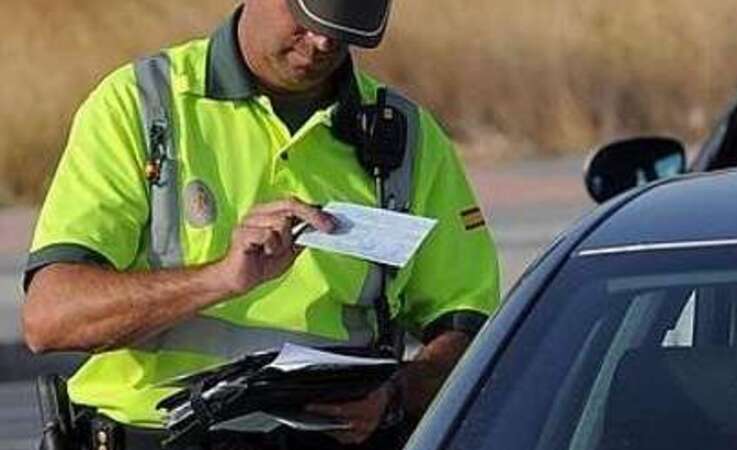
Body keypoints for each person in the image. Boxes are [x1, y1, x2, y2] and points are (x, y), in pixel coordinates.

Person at [21, 0, 500, 448]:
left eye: (343, 30)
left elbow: (475, 331)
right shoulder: (141, 105)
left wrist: (397, 394)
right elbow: (50, 319)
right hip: (152, 436)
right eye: (308, 18)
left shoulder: (410, 139)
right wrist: (218, 279)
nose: (322, 43)